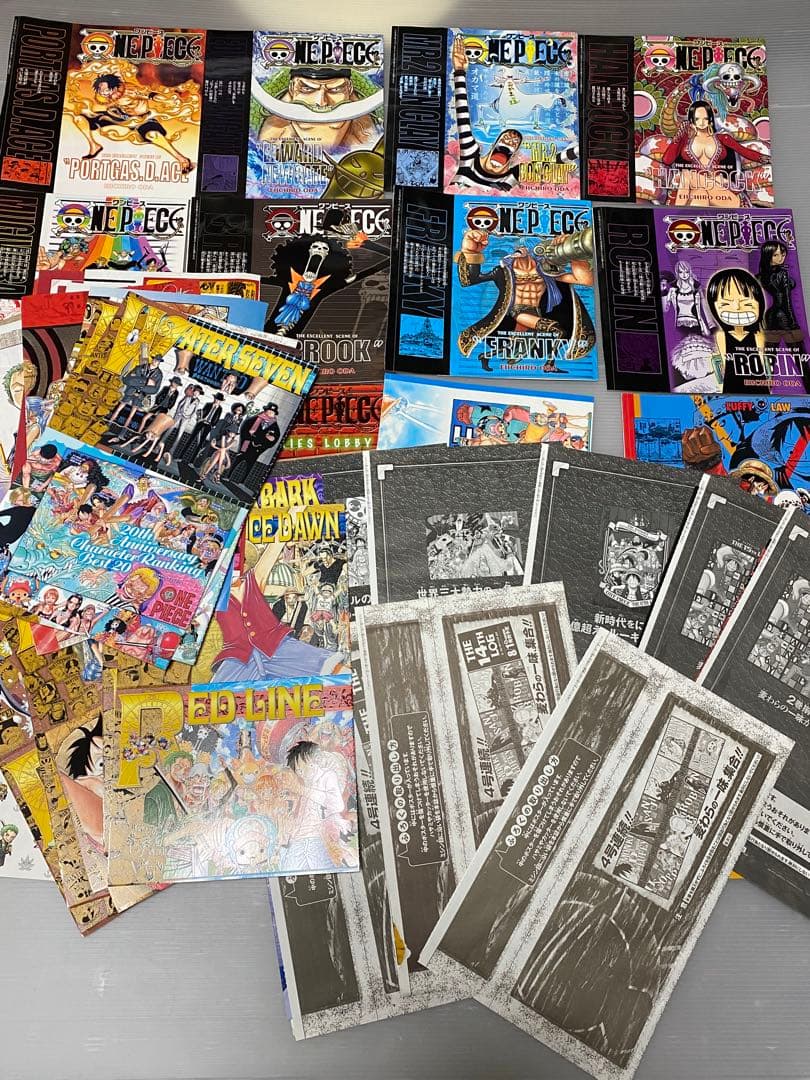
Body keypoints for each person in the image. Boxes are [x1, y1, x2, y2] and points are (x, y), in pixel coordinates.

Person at [73, 72, 194, 174]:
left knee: (153, 135)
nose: (103, 93)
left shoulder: (131, 91)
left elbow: (151, 95)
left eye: (105, 90)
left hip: (142, 119)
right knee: (80, 118)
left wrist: (167, 100)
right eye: (101, 91)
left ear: (114, 87)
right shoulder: (108, 95)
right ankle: (94, 146)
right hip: (121, 116)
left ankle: (182, 159)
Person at [661, 99, 770, 207]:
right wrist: (678, 138)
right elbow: (667, 160)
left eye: (705, 118)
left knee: (686, 175)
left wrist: (766, 158)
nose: (701, 122)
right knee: (699, 194)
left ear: (710, 119)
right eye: (697, 119)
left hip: (722, 190)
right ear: (691, 120)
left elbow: (744, 151)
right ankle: (685, 215)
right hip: (697, 189)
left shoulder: (722, 138)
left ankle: (677, 210)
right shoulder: (686, 139)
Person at [706, 267, 769, 393]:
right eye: (725, 304)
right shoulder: (721, 336)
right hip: (732, 385)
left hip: (757, 386)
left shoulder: (758, 336)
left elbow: (763, 363)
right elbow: (725, 363)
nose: (737, 308)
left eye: (747, 303)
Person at [758, 240, 810, 390]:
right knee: (801, 360)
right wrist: (793, 324)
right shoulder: (783, 274)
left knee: (769, 360)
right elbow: (786, 301)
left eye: (783, 253)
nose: (781, 257)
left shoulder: (760, 276)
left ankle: (764, 392)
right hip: (786, 318)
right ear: (768, 255)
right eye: (776, 255)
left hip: (770, 319)